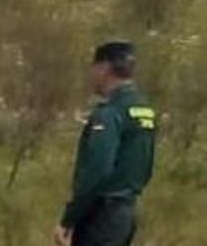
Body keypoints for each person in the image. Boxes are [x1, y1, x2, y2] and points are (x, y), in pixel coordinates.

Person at [53, 41, 156, 246]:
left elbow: (98, 170)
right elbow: (146, 166)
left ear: (104, 68)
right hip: (126, 213)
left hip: (100, 217)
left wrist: (70, 218)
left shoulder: (109, 113)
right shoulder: (144, 109)